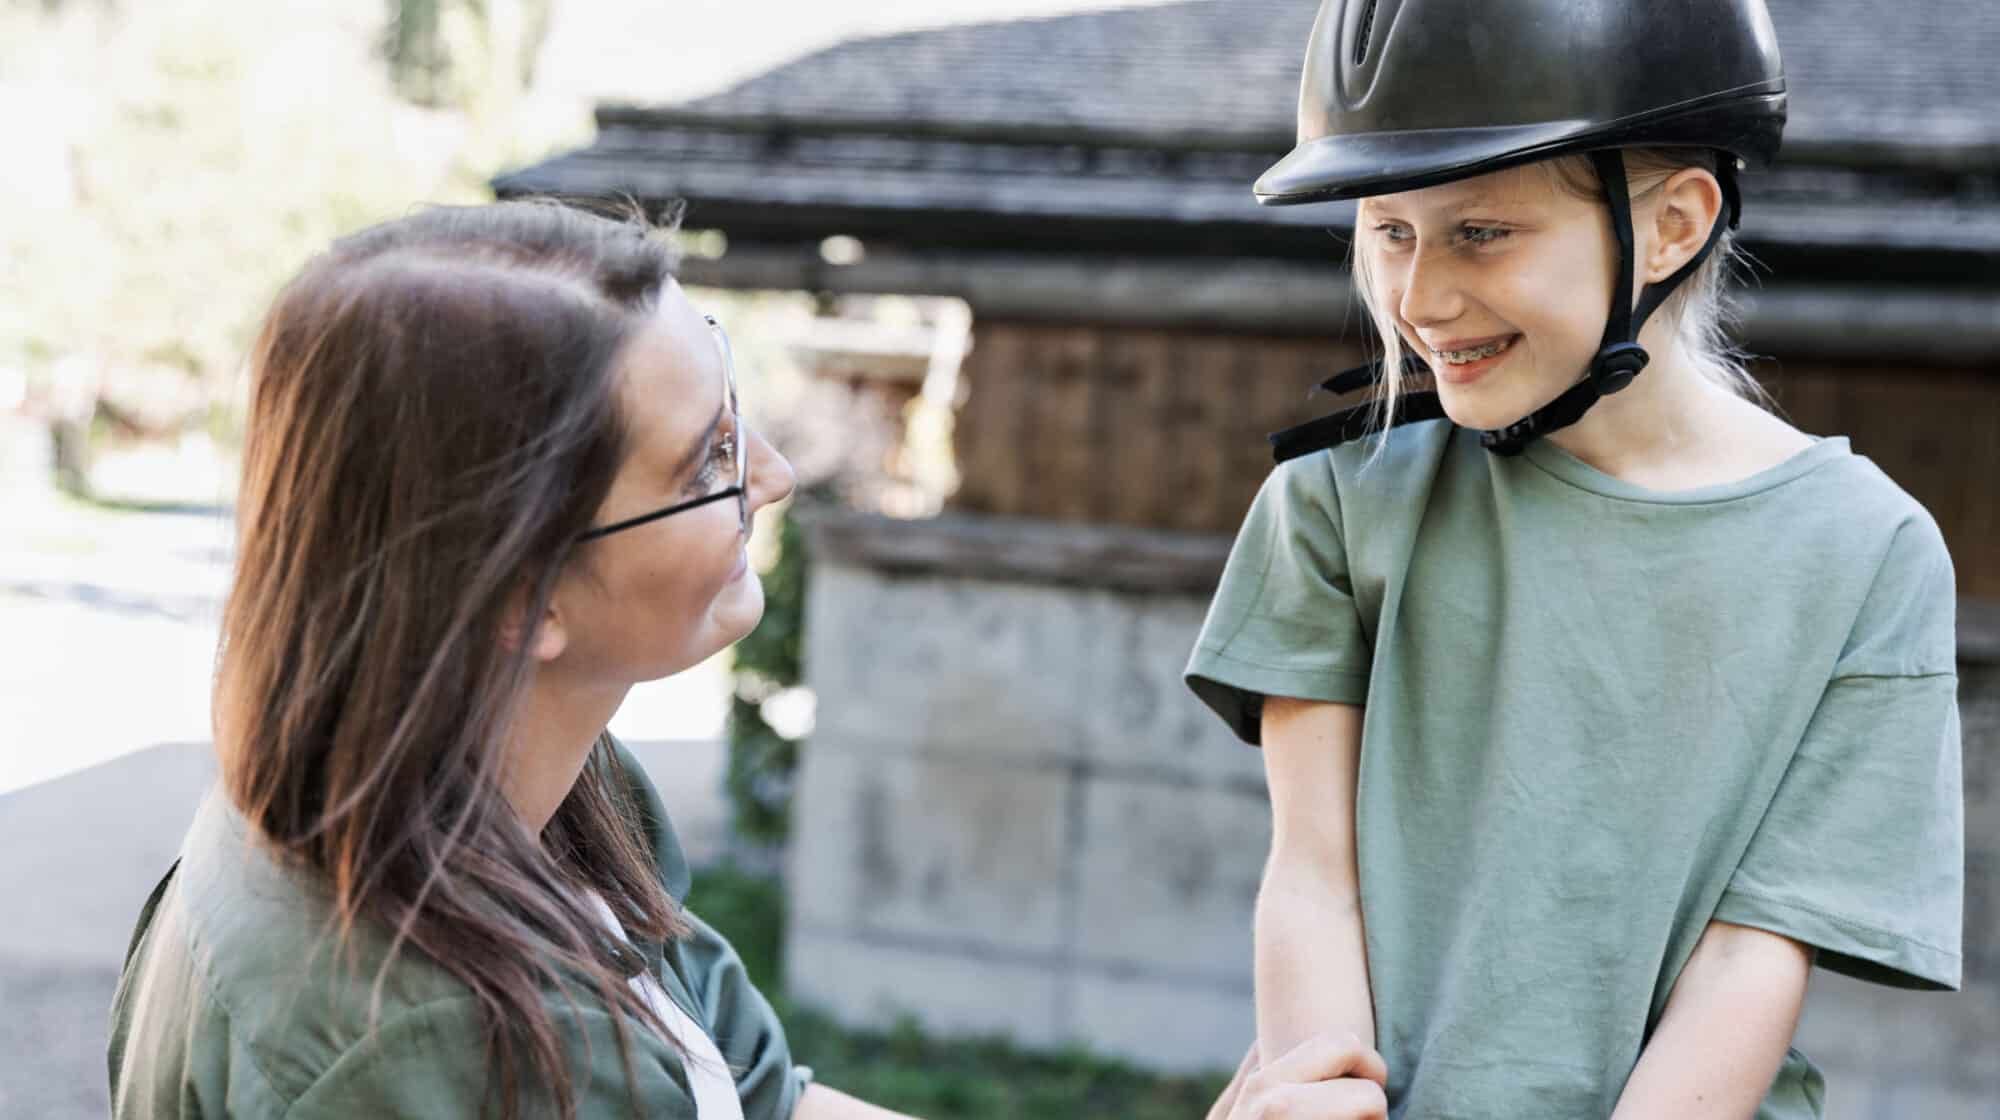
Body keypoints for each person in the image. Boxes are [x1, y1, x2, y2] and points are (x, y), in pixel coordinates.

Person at [105, 199, 1391, 1120]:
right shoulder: (429, 1042)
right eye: (707, 461)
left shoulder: (508, 796)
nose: (772, 476)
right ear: (520, 590)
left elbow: (764, 1095)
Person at [1184, 1, 1963, 1117]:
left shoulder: (1865, 552)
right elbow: (1312, 873)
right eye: (1387, 230)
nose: (1416, 299)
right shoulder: (1332, 506)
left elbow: (1748, 958)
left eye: (1479, 231)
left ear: (1670, 224)